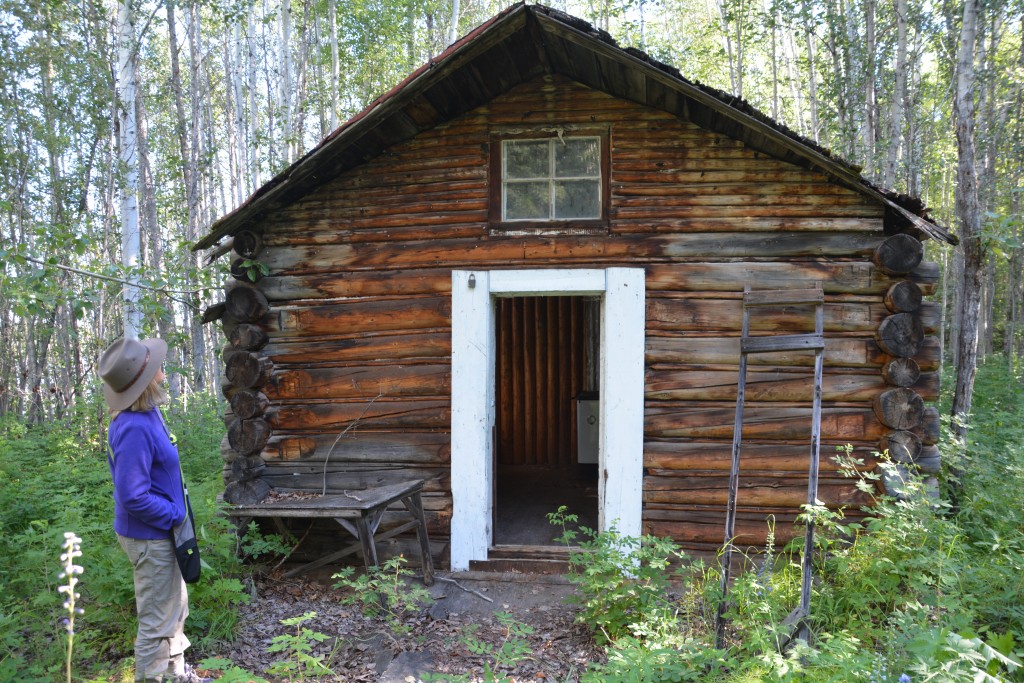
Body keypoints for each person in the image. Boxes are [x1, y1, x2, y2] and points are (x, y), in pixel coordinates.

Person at [99, 336, 207, 683]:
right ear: (144, 379)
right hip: (150, 536)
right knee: (156, 622)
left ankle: (177, 676)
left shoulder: (149, 414)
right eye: (156, 365)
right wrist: (174, 515)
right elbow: (132, 496)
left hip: (162, 533)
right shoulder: (132, 426)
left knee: (174, 612)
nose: (162, 370)